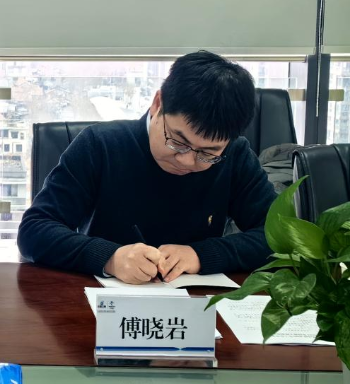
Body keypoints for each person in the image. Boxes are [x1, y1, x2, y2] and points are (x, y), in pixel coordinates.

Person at [17, 50, 276, 284]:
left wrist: (202, 255)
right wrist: (109, 257)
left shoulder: (236, 155)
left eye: (208, 153)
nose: (187, 161)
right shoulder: (100, 145)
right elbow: (35, 230)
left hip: (197, 305)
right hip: (102, 303)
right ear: (158, 104)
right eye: (178, 142)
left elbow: (280, 236)